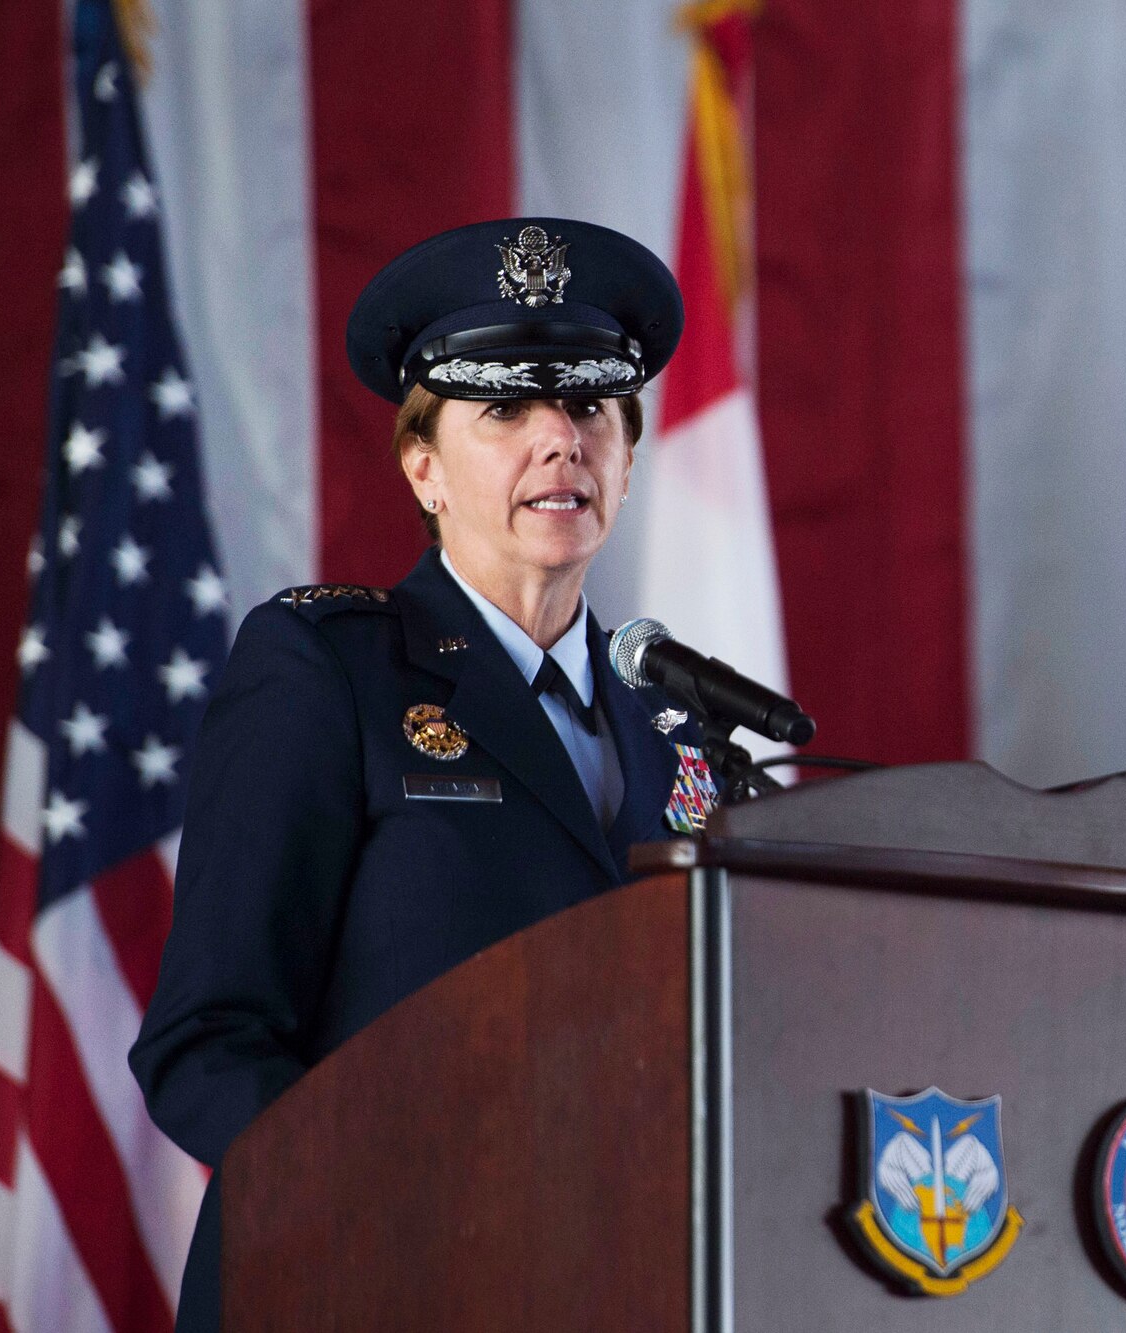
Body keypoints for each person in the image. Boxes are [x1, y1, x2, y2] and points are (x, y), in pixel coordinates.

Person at [130, 218, 715, 1331]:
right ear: (421, 466)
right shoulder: (326, 672)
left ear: (629, 459)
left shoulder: (680, 732)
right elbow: (206, 1039)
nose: (560, 441)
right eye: (504, 411)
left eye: (590, 408)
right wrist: (401, 1203)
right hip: (359, 1279)